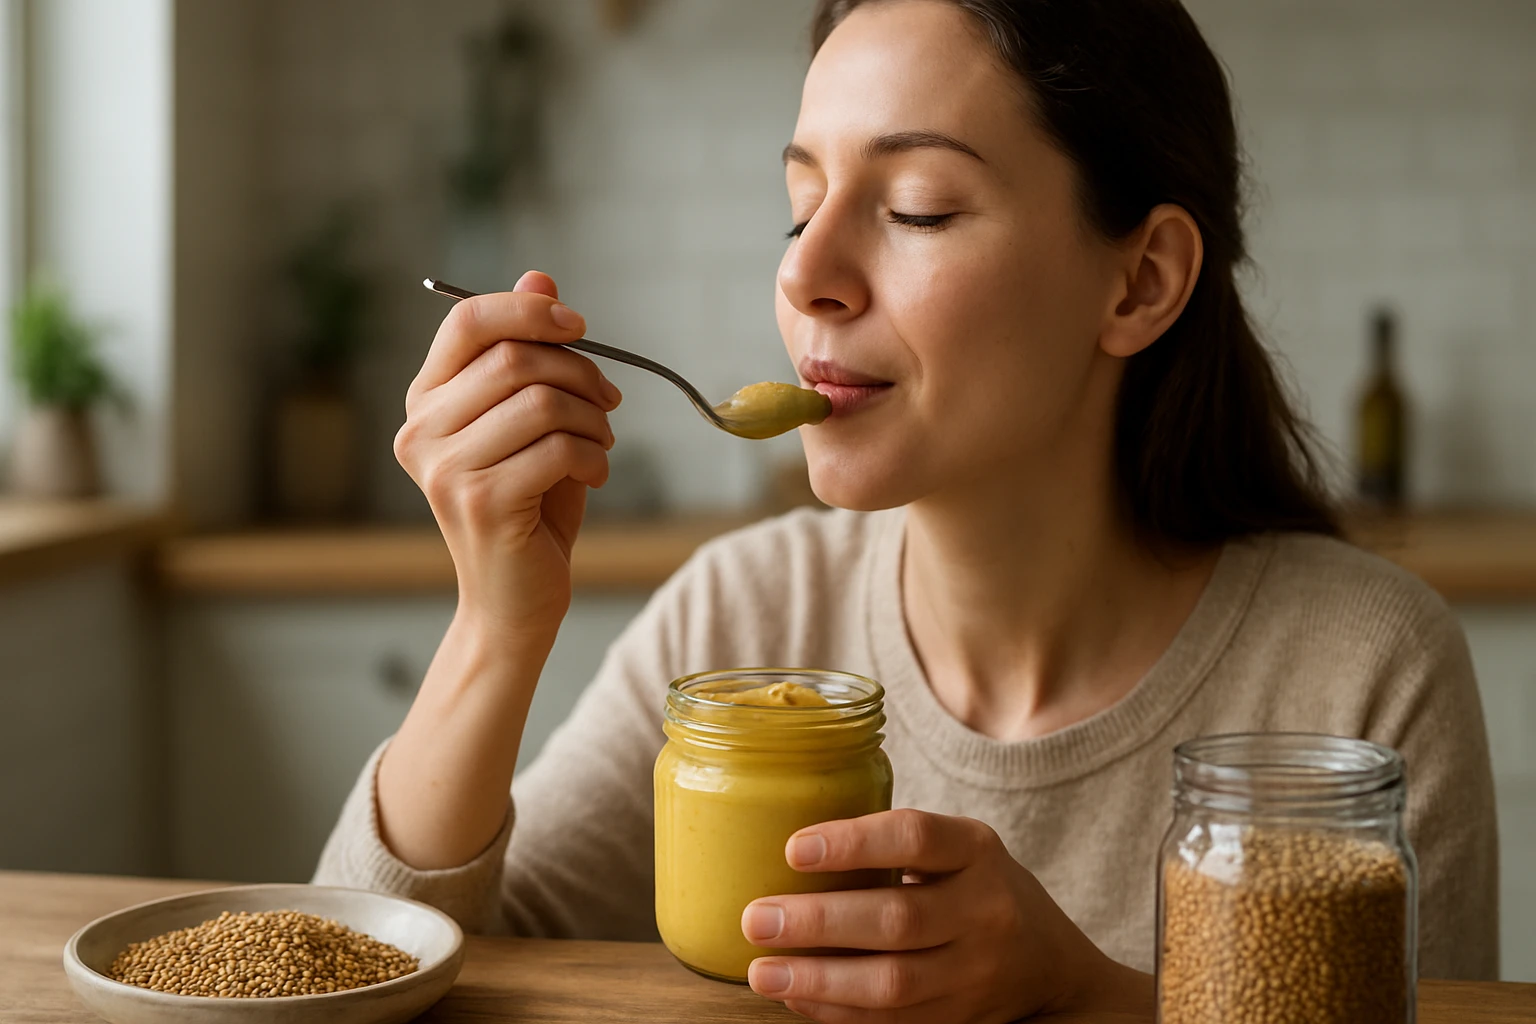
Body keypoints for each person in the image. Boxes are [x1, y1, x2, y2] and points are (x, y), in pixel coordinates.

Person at [316, 0, 1499, 1019]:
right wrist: (495, 628)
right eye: (800, 206)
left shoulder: (1363, 668)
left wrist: (1087, 994)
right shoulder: (743, 614)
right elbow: (359, 970)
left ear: (1141, 281)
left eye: (921, 206)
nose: (803, 270)